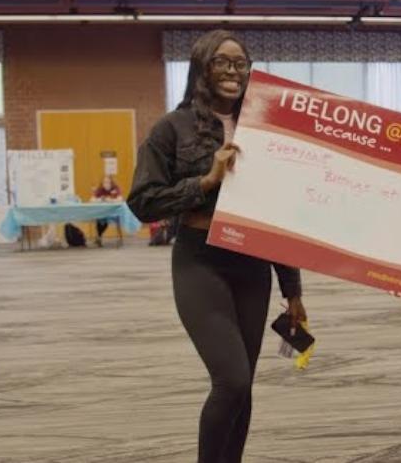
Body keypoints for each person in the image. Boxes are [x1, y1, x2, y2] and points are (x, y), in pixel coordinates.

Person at [127, 30, 307, 463]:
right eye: (222, 63)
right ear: (202, 68)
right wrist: (205, 181)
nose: (233, 71)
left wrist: (293, 290)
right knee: (232, 381)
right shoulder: (173, 127)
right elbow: (142, 201)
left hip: (252, 263)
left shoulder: (265, 127)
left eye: (241, 63)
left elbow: (277, 213)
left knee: (244, 387)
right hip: (199, 260)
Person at [90, 175, 123, 246]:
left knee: (104, 220)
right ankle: (99, 237)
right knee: (100, 220)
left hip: (113, 212)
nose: (106, 184)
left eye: (108, 182)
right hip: (102, 213)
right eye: (104, 182)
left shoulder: (115, 188)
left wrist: (111, 200)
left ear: (111, 183)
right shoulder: (100, 189)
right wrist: (100, 199)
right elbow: (92, 200)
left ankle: (98, 237)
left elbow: (120, 199)